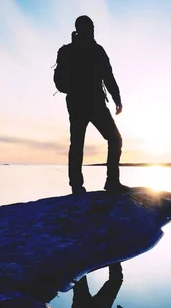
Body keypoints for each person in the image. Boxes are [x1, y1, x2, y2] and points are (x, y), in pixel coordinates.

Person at [59, 15, 129, 194]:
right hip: (92, 102)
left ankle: (77, 185)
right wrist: (117, 99)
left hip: (77, 103)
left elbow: (107, 75)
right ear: (85, 28)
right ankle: (111, 182)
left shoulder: (68, 50)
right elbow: (108, 76)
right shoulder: (96, 50)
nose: (92, 29)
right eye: (90, 27)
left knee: (77, 144)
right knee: (114, 139)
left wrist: (117, 98)